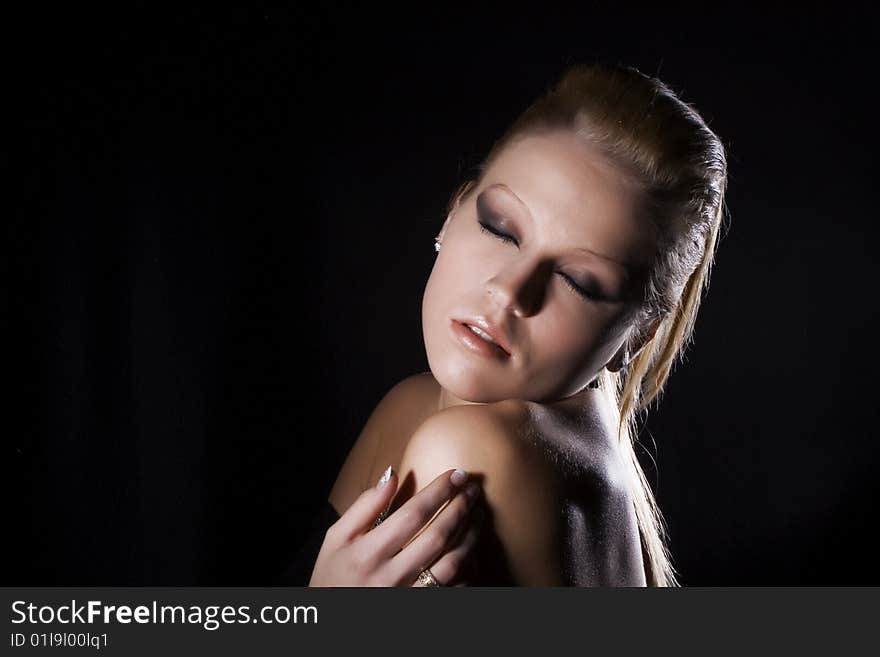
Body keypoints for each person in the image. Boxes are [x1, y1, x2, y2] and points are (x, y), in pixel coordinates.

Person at [285, 61, 728, 587]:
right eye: (500, 229)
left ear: (638, 335)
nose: (510, 290)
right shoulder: (413, 408)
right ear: (453, 215)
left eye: (578, 281)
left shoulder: (467, 451)